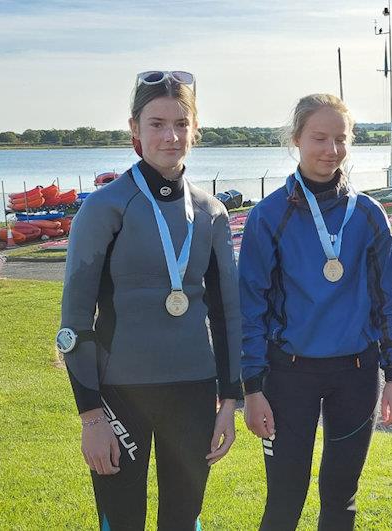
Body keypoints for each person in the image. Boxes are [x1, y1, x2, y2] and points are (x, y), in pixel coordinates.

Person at [56, 70, 242, 530]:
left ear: (195, 130)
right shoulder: (104, 208)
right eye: (157, 123)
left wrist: (229, 401)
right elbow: (75, 319)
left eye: (181, 124)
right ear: (134, 130)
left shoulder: (211, 212)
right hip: (119, 394)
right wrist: (90, 417)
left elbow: (225, 313)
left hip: (194, 390)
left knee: (183, 520)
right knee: (122, 522)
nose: (171, 135)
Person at [238, 93, 392, 530]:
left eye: (340, 139)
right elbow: (250, 309)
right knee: (284, 499)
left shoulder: (369, 215)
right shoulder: (267, 215)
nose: (330, 150)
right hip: (288, 376)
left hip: (355, 374)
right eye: (319, 138)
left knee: (340, 499)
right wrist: (252, 387)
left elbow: (389, 302)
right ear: (296, 139)